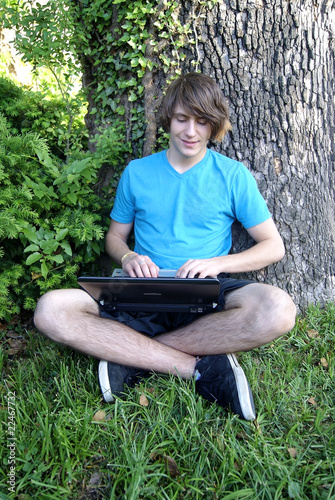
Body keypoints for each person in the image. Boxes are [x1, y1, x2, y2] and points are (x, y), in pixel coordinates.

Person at [34, 72, 296, 421]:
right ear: (168, 119)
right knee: (50, 309)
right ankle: (200, 369)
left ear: (213, 125)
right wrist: (128, 256)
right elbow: (114, 237)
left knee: (279, 309)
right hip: (141, 291)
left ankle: (130, 355)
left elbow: (273, 246)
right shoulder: (137, 172)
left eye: (202, 122)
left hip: (207, 290)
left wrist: (217, 263)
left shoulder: (232, 175)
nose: (190, 131)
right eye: (182, 119)